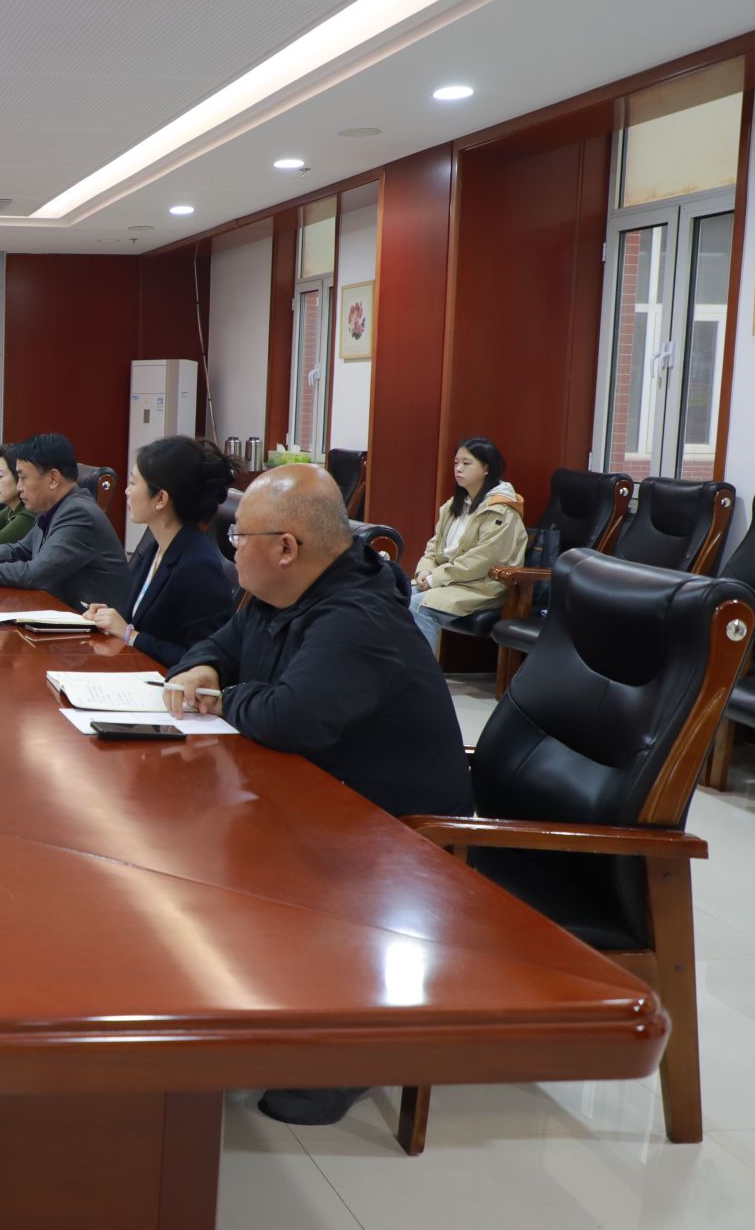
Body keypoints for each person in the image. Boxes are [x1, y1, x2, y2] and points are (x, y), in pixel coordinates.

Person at [162, 464, 473, 1130]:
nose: (229, 549)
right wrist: (205, 668)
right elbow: (221, 644)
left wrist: (221, 697)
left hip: (395, 840)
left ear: (286, 547)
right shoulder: (283, 593)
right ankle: (250, 994)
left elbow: (290, 718)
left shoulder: (357, 618)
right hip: (325, 800)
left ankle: (351, 1039)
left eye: (238, 538)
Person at [80, 436, 237, 667]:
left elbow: (203, 661)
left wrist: (130, 635)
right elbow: (142, 622)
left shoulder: (198, 566)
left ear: (161, 498)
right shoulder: (156, 546)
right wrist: (110, 619)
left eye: (133, 483)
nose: (126, 491)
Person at [0, 432, 130, 610]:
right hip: (58, 609)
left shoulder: (78, 514)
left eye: (23, 478)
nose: (19, 487)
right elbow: (21, 550)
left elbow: (36, 573)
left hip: (90, 621)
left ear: (53, 479)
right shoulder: (51, 507)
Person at [409, 437, 528, 653]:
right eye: (456, 463)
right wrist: (424, 571)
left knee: (416, 606)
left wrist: (436, 578)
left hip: (482, 587)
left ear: (486, 468)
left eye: (466, 463)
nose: (458, 469)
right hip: (451, 580)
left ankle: (421, 672)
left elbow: (484, 559)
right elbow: (434, 546)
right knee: (392, 596)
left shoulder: (501, 510)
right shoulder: (453, 506)